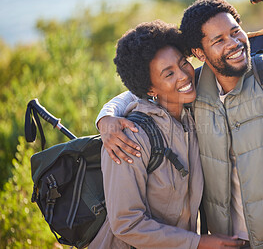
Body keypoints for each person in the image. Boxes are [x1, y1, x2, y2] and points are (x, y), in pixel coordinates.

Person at [96, 0, 263, 248]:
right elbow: (139, 90)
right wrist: (106, 118)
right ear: (200, 53)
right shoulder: (172, 104)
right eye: (219, 40)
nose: (233, 43)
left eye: (235, 32)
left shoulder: (262, 76)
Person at [89, 19, 244, 249]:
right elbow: (126, 224)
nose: (184, 76)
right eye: (168, 74)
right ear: (149, 89)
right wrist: (198, 243)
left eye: (183, 63)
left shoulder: (191, 114)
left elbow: (227, 59)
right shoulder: (129, 137)